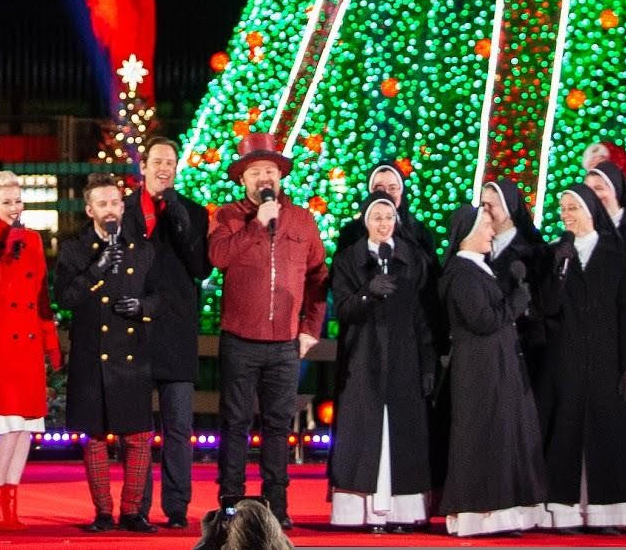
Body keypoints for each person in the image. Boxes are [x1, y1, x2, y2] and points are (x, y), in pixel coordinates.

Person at [207, 134, 330, 529]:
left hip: (285, 345)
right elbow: (219, 258)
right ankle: (230, 506)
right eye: (256, 171)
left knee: (278, 427)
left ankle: (277, 507)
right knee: (236, 423)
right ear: (243, 179)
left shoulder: (302, 219)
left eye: (271, 171)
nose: (264, 178)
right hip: (240, 339)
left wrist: (310, 328)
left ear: (280, 177)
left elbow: (318, 278)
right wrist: (256, 226)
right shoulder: (227, 217)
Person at [433, 187, 548, 536]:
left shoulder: (476, 269)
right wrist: (516, 302)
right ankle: (477, 512)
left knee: (501, 436)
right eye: (485, 226)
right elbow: (483, 320)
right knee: (482, 437)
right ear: (468, 235)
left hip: (494, 364)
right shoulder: (462, 273)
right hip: (479, 369)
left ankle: (502, 511)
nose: (491, 231)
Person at [55, 174, 160, 532]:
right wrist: (96, 271)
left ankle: (132, 511)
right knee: (96, 437)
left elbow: (161, 296)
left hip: (131, 354)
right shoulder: (74, 249)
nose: (111, 209)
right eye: (103, 204)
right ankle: (102, 511)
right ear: (90, 209)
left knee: (138, 437)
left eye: (115, 202)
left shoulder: (142, 249)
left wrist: (142, 307)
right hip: (91, 356)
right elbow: (64, 298)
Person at [327, 197, 435, 531]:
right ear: (366, 220)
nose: (384, 223)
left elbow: (421, 316)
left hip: (403, 357)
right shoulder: (348, 259)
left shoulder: (412, 259)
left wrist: (428, 363)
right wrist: (366, 293)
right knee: (365, 432)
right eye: (377, 217)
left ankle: (403, 512)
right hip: (364, 356)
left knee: (401, 433)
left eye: (389, 216)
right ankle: (363, 512)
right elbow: (343, 311)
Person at [537, 185, 626, 530]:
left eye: (573, 208)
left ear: (591, 211)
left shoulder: (618, 253)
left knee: (605, 434)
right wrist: (559, 269)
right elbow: (547, 307)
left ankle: (604, 512)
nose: (566, 215)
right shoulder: (555, 254)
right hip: (565, 360)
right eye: (563, 209)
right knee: (564, 432)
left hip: (607, 358)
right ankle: (563, 511)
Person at [124, 135, 212, 532]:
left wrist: (176, 214)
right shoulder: (123, 210)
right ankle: (135, 506)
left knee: (178, 426)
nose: (164, 168)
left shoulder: (191, 212)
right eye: (157, 161)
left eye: (171, 163)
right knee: (137, 428)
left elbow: (201, 267)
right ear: (143, 167)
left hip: (176, 331)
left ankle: (177, 506)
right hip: (134, 331)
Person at [0, 170, 57, 532]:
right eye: (6, 201)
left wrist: (50, 342)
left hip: (28, 344)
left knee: (26, 429)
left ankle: (8, 498)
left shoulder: (34, 240)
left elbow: (41, 296)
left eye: (18, 201)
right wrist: (7, 251)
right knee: (7, 428)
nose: (14, 207)